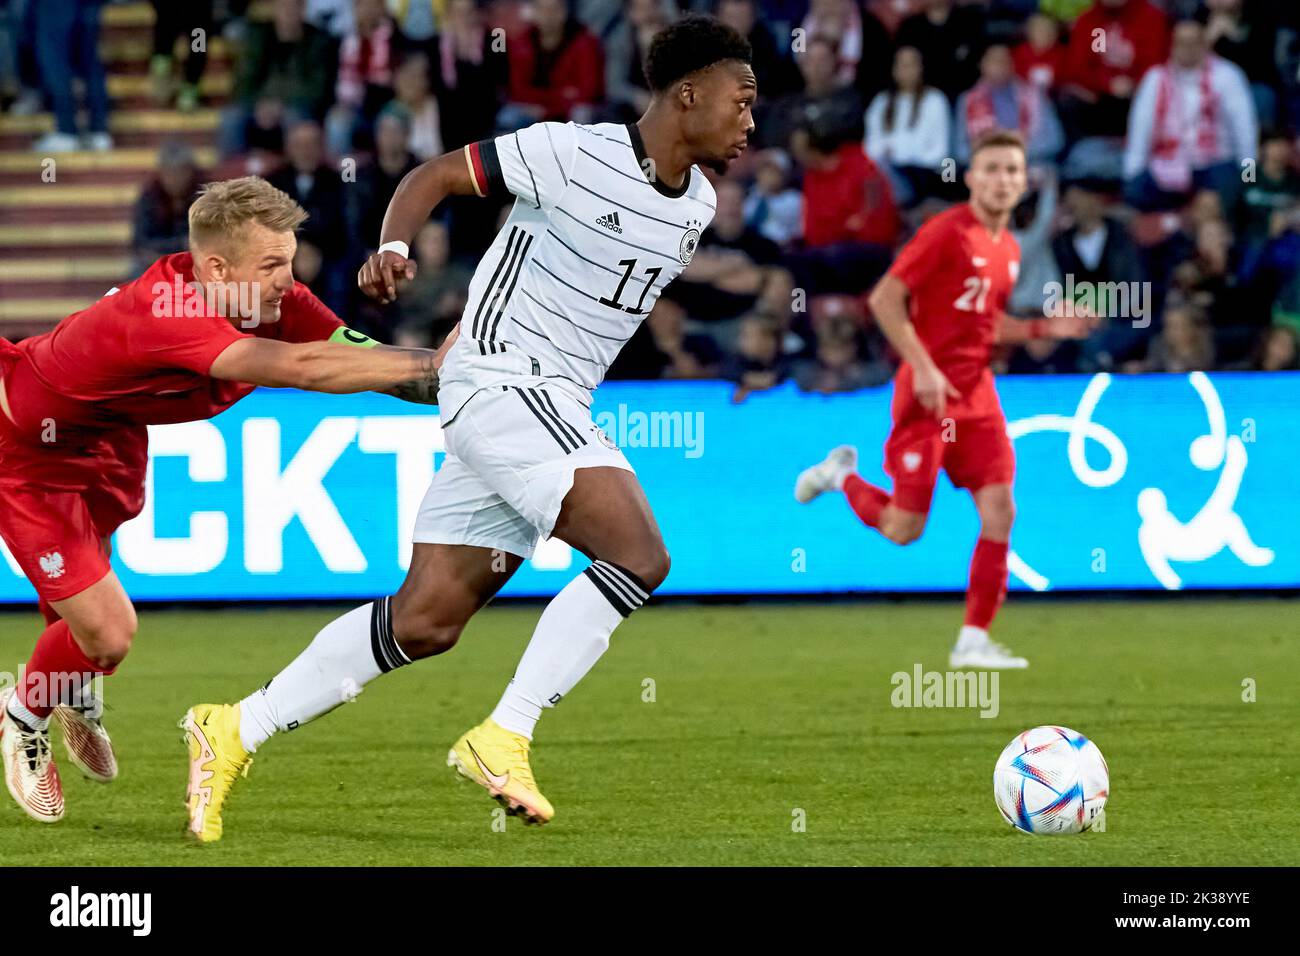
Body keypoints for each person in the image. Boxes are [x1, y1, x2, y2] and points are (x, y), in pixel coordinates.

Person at [180, 15, 756, 842]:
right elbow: (437, 174)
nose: (749, 121)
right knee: (639, 556)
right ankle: (505, 733)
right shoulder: (571, 151)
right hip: (503, 383)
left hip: (546, 403)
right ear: (688, 94)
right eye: (740, 101)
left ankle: (234, 726)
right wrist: (394, 245)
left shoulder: (694, 204)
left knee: (425, 620)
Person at [0, 177, 446, 825]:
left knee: (82, 609)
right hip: (31, 455)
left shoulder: (268, 296)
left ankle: (71, 687)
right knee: (110, 634)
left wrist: (459, 371)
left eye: (290, 260)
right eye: (270, 265)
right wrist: (431, 361)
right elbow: (306, 370)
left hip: (110, 440)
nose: (288, 281)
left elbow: (355, 355)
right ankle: (22, 714)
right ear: (215, 267)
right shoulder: (167, 311)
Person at [793, 130, 1095, 670]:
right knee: (904, 530)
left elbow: (984, 324)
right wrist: (924, 366)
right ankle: (839, 475)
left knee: (1000, 509)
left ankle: (973, 641)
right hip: (926, 398)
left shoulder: (1008, 249)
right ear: (973, 178)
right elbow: (885, 299)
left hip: (977, 397)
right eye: (992, 169)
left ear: (1024, 182)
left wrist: (1042, 330)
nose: (1002, 179)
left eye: (1012, 170)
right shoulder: (946, 234)